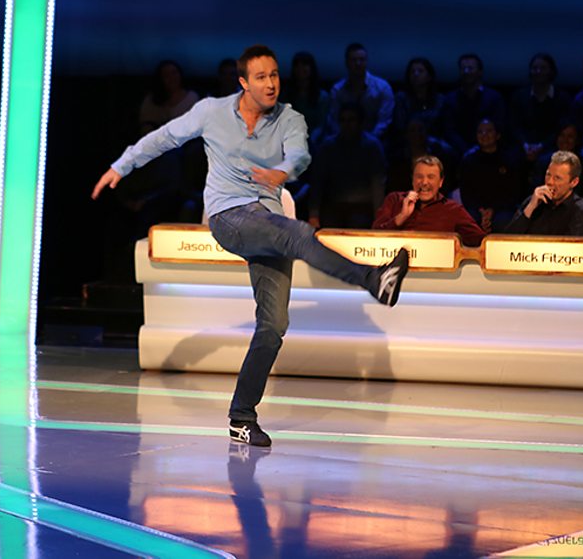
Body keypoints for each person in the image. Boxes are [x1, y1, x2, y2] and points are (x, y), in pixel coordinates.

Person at [92, 45, 411, 447]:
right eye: (261, 77)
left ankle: (241, 417)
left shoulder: (290, 118)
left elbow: (300, 155)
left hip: (268, 222)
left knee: (273, 326)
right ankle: (374, 280)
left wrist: (283, 170)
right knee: (298, 234)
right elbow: (164, 137)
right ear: (243, 82)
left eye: (274, 75)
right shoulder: (211, 112)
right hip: (229, 217)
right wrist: (120, 166)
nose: (271, 83)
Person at [373, 155, 486, 247]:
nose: (424, 182)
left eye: (431, 177)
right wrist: (401, 217)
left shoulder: (453, 210)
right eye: (419, 176)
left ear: (440, 182)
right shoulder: (394, 200)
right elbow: (372, 238)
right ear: (412, 180)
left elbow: (482, 240)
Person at [308, 103, 387, 229]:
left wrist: (379, 217)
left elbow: (378, 184)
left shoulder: (372, 147)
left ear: (360, 122)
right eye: (343, 120)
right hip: (333, 206)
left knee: (358, 223)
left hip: (362, 207)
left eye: (351, 120)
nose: (347, 124)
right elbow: (318, 182)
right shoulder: (328, 147)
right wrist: (313, 214)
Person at [501, 150, 583, 236]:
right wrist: (530, 207)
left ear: (574, 182)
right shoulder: (533, 200)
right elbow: (506, 240)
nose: (549, 182)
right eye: (548, 175)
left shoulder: (579, 211)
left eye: (557, 178)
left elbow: (571, 247)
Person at [458, 119, 526, 234]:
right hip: (476, 209)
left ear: (497, 135)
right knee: (469, 219)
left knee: (503, 221)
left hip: (502, 208)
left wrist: (492, 210)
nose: (484, 135)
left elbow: (513, 192)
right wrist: (482, 211)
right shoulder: (468, 160)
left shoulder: (509, 159)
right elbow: (466, 194)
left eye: (489, 131)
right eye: (480, 132)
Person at [510, 52, 573, 163]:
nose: (538, 71)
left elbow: (563, 128)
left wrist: (541, 146)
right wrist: (525, 144)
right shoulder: (519, 96)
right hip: (524, 147)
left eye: (543, 68)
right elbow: (514, 126)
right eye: (535, 68)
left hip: (553, 146)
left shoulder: (562, 98)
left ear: (551, 71)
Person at [441, 53, 509, 152]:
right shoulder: (451, 99)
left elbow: (499, 126)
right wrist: (465, 149)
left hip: (489, 147)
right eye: (463, 68)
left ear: (480, 72)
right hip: (458, 151)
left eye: (470, 68)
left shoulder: (494, 97)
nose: (466, 72)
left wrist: (480, 147)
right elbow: (449, 130)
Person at [328, 42, 395, 141]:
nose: (358, 63)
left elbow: (384, 121)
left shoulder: (382, 88)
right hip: (343, 141)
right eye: (354, 60)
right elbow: (334, 120)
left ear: (366, 61)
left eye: (361, 60)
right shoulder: (338, 90)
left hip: (376, 141)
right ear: (347, 63)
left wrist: (369, 141)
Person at [138, 59, 200, 127]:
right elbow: (146, 126)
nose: (172, 78)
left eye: (174, 73)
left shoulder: (192, 97)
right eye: (166, 75)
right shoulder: (150, 100)